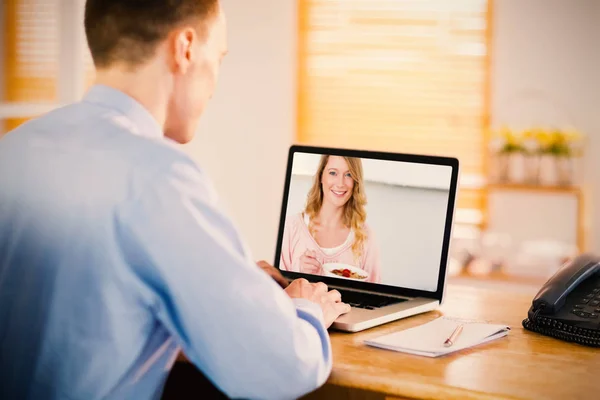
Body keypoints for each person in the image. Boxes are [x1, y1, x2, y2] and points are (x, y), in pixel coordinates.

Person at [0, 1, 351, 399]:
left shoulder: (14, 149)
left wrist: (234, 282)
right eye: (218, 58)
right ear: (185, 48)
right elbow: (279, 369)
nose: (215, 83)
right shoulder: (158, 177)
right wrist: (308, 311)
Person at [280, 155, 381, 283]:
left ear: (356, 181)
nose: (340, 183)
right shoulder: (290, 227)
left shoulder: (366, 237)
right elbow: (278, 293)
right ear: (321, 176)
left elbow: (374, 296)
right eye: (333, 173)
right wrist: (297, 271)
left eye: (348, 175)